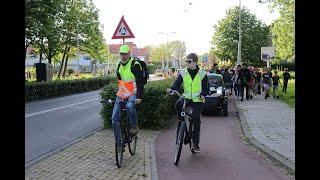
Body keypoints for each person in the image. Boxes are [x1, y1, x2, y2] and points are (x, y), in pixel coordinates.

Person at [166, 53, 209, 153]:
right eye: (186, 61)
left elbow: (206, 88)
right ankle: (181, 124)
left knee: (196, 118)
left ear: (195, 62)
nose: (187, 63)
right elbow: (177, 83)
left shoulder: (202, 74)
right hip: (186, 97)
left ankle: (195, 143)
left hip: (197, 99)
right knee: (178, 105)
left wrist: (203, 94)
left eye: (189, 61)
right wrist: (171, 89)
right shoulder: (183, 72)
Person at [111, 44, 143, 149]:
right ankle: (119, 143)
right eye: (121, 54)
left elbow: (139, 82)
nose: (123, 56)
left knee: (129, 106)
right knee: (114, 118)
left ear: (129, 54)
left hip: (133, 92)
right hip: (121, 94)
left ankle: (134, 127)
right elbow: (120, 81)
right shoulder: (119, 65)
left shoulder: (135, 64)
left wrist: (139, 96)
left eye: (125, 54)